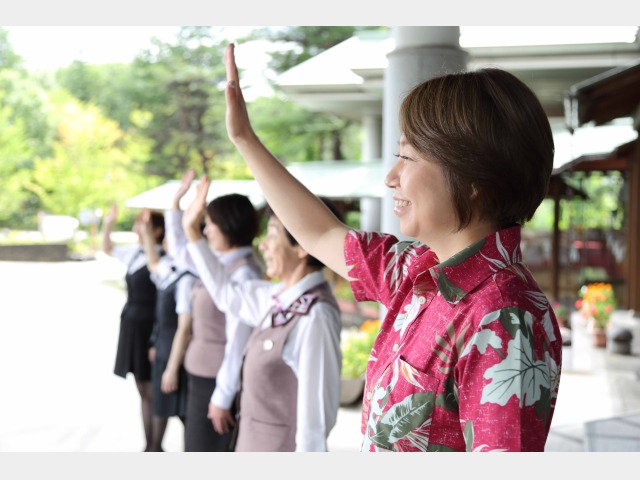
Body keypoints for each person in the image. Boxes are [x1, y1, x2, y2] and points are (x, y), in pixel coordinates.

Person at [221, 42, 562, 452]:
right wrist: (244, 138)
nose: (391, 177)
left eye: (408, 158)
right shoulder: (416, 270)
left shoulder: (504, 318)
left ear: (474, 178)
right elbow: (319, 234)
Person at [182, 180, 342, 452]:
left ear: (302, 246)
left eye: (273, 234)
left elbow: (315, 425)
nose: (263, 245)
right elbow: (225, 293)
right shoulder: (277, 297)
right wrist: (191, 231)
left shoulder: (316, 315)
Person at [165, 169, 263, 452]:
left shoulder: (243, 273)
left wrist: (222, 396)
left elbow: (238, 343)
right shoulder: (219, 262)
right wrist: (176, 205)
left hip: (216, 382)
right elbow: (181, 252)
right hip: (200, 376)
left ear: (228, 225)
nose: (206, 231)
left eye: (209, 224)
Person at [101, 204, 165, 452]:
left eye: (144, 225)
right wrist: (108, 223)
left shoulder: (162, 258)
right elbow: (108, 248)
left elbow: (156, 273)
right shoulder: (135, 253)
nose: (139, 228)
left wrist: (156, 339)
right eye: (138, 224)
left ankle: (155, 445)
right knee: (142, 388)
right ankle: (149, 445)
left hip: (150, 326)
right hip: (132, 325)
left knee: (153, 389)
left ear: (158, 230)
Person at [140, 208, 197, 452]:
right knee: (162, 410)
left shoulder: (187, 280)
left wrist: (172, 368)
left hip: (177, 355)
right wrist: (146, 234)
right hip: (164, 349)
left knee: (185, 415)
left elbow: (185, 328)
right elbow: (153, 263)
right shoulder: (171, 270)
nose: (168, 242)